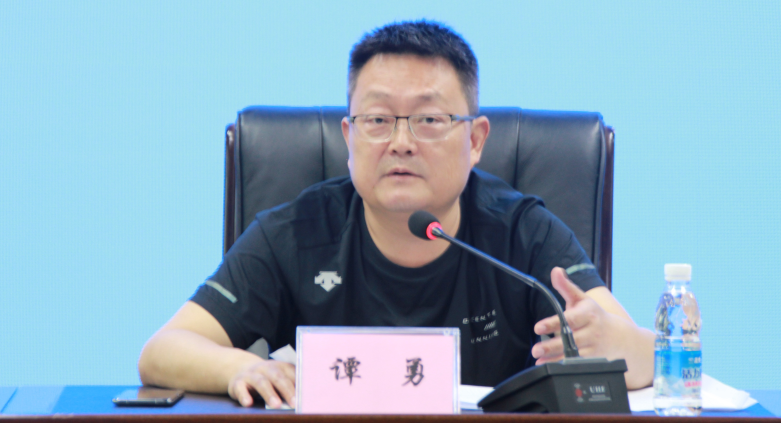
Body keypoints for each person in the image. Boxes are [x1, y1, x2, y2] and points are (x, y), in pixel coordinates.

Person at [138, 20, 654, 409]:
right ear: (349, 137)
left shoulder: (524, 234)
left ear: (475, 141)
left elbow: (642, 354)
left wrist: (620, 347)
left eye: (429, 119)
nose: (401, 142)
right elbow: (162, 351)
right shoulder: (294, 233)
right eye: (378, 119)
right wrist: (238, 366)